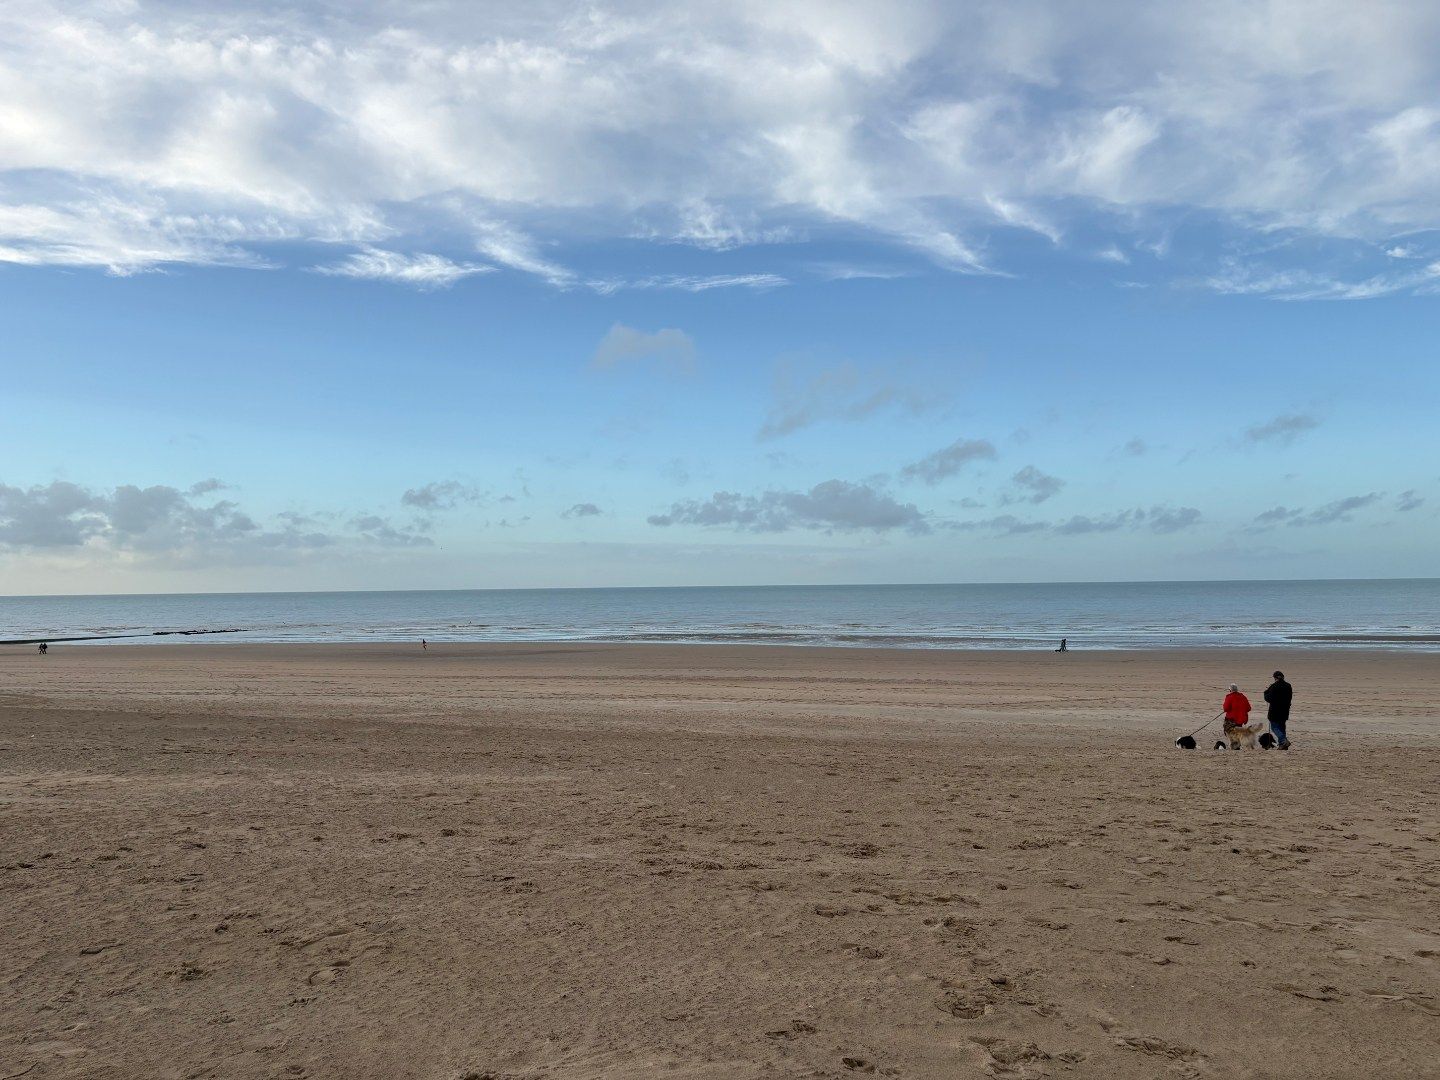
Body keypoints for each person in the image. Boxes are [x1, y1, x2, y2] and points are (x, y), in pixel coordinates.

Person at [1264, 670, 1293, 749]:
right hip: (1285, 710)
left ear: (1275, 678)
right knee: (1282, 727)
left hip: (1275, 711)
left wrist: (1266, 692)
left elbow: (1269, 698)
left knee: (1274, 727)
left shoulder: (1274, 686)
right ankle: (1282, 745)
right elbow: (1290, 697)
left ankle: (1283, 741)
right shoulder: (1288, 686)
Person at [1222, 683, 1252, 750]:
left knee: (1229, 732)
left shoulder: (1229, 697)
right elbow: (1248, 708)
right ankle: (1236, 745)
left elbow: (1225, 708)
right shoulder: (1243, 697)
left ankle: (1235, 746)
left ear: (1230, 690)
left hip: (1231, 719)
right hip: (1240, 720)